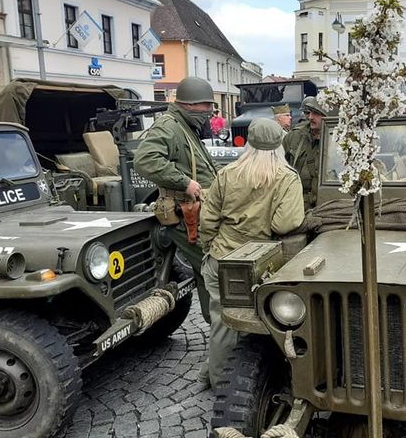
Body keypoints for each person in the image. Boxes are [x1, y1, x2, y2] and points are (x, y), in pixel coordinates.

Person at [199, 118, 304, 387]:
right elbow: (285, 223)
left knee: (221, 323)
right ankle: (242, 385)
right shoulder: (286, 178)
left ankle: (215, 377)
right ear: (279, 144)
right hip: (260, 262)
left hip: (222, 257)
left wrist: (209, 251)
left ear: (249, 143)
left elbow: (208, 220)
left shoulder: (227, 173)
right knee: (266, 322)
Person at [133, 76, 220, 387]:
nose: (210, 112)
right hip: (185, 214)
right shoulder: (169, 127)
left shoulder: (186, 127)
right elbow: (144, 160)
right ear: (190, 105)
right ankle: (219, 334)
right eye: (207, 106)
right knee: (211, 267)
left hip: (196, 211)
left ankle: (218, 334)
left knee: (206, 268)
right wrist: (185, 182)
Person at [283, 96, 328, 210]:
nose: (311, 117)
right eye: (310, 112)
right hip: (297, 204)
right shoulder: (294, 137)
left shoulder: (339, 140)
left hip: (327, 205)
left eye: (317, 113)